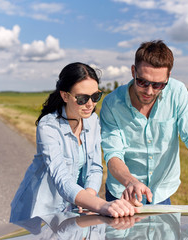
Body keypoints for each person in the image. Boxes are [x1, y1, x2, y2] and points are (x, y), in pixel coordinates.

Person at [100, 40, 188, 211]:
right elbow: (113, 154)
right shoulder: (112, 103)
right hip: (123, 193)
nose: (149, 91)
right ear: (133, 71)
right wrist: (132, 182)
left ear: (168, 78)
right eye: (142, 82)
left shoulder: (177, 93)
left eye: (158, 85)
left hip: (160, 193)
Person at [10, 62, 138, 222]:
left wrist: (89, 199)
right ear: (65, 96)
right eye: (82, 98)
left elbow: (95, 168)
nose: (90, 104)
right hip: (42, 212)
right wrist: (101, 205)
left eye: (95, 96)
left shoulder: (93, 120)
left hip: (78, 210)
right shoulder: (48, 126)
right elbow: (61, 178)